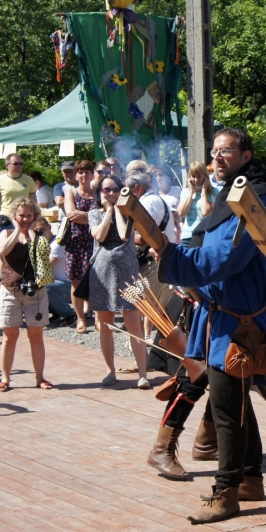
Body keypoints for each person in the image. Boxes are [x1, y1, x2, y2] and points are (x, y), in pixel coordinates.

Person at [152, 127, 266, 524]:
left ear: (246, 155)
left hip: (240, 323)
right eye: (214, 151)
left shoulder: (256, 199)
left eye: (226, 151)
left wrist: (174, 259)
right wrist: (181, 263)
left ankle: (226, 493)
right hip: (224, 315)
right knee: (236, 402)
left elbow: (224, 259)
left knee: (228, 409)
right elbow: (206, 246)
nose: (217, 158)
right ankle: (251, 479)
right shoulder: (235, 194)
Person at [88, 174, 149, 388]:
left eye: (115, 189)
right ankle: (110, 371)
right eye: (106, 190)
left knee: (133, 323)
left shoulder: (128, 213)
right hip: (102, 273)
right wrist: (108, 212)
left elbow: (124, 235)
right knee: (105, 324)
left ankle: (142, 374)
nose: (111, 193)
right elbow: (100, 236)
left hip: (127, 271)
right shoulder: (94, 213)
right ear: (100, 193)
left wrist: (117, 210)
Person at [0, 197, 53, 392]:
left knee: (36, 336)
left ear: (35, 217)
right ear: (14, 216)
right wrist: (18, 231)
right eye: (21, 215)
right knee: (9, 337)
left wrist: (32, 232)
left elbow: (42, 253)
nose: (25, 219)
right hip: (10, 289)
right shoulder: (6, 233)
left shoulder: (40, 234)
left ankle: (40, 377)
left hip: (35, 291)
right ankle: (5, 379)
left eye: (29, 215)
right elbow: (2, 251)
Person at [125, 171, 179, 341]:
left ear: (137, 188)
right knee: (154, 308)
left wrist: (122, 237)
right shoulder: (156, 200)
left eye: (128, 190)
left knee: (145, 307)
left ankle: (142, 346)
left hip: (152, 262)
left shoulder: (146, 203)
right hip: (159, 259)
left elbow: (146, 237)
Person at [64, 160, 98, 333]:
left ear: (92, 174)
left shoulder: (98, 194)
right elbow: (72, 215)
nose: (84, 175)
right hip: (76, 243)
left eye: (87, 172)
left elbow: (103, 216)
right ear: (76, 175)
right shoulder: (71, 193)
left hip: (95, 242)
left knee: (98, 281)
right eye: (80, 172)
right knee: (76, 281)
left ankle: (98, 317)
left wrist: (84, 215)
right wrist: (92, 216)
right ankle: (80, 318)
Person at [0, 152, 36, 231]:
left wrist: (36, 219)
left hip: (24, 220)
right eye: (15, 164)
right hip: (6, 220)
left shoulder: (29, 180)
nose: (19, 166)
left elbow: (33, 202)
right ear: (7, 165)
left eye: (21, 164)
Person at [177, 161, 216, 247]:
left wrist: (204, 191)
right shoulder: (185, 192)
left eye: (199, 176)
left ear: (205, 177)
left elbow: (206, 212)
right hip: (187, 236)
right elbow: (181, 213)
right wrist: (191, 192)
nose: (196, 180)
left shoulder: (214, 192)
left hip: (204, 235)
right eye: (193, 176)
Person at [46, 226, 76, 326]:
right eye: (35, 231)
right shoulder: (44, 242)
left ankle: (69, 314)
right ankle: (57, 312)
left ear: (49, 227)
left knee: (44, 286)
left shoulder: (57, 243)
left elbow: (45, 266)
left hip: (68, 285)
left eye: (40, 230)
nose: (39, 234)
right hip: (57, 284)